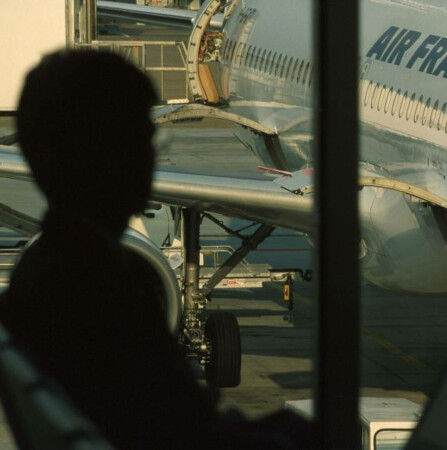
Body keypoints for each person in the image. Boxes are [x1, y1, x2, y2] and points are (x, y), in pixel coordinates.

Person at [0, 50, 311, 449]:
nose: (152, 157)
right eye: (139, 140)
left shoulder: (50, 274)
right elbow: (184, 433)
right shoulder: (96, 292)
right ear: (96, 157)